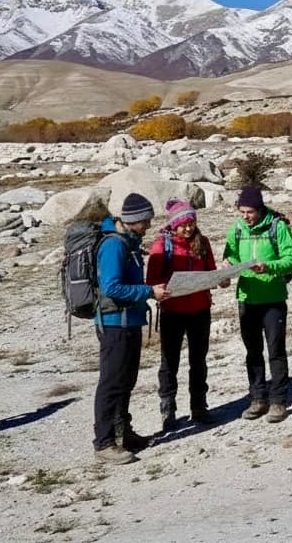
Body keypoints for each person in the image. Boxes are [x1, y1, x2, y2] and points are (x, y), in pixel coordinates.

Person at [94, 193, 170, 465]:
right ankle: (103, 442)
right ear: (134, 220)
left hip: (129, 322)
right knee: (111, 383)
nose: (149, 224)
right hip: (115, 324)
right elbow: (111, 287)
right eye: (146, 220)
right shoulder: (114, 246)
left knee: (126, 381)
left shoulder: (129, 242)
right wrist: (149, 291)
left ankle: (123, 432)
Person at [145, 199, 226, 431]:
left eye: (191, 223)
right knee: (169, 363)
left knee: (198, 361)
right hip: (173, 312)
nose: (188, 228)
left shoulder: (203, 243)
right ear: (173, 225)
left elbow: (211, 272)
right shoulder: (162, 246)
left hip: (200, 310)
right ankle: (168, 408)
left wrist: (220, 278)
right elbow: (152, 280)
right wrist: (165, 287)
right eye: (183, 225)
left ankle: (199, 406)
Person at [223, 186, 292, 423]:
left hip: (273, 298)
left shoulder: (278, 227)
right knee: (252, 351)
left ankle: (278, 401)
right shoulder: (236, 229)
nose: (245, 216)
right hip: (247, 298)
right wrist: (229, 264)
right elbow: (231, 255)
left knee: (275, 351)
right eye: (242, 211)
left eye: (250, 212)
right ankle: (257, 399)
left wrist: (269, 267)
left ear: (260, 209)